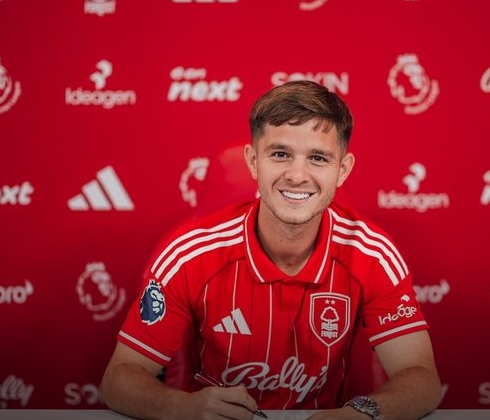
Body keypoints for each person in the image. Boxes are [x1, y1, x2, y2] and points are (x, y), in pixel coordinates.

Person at [100, 80, 441, 420]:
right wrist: (183, 408)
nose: (297, 175)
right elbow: (119, 378)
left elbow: (422, 378)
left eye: (318, 158)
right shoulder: (190, 254)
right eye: (280, 154)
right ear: (253, 161)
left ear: (343, 170)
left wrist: (359, 415)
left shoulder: (373, 255)